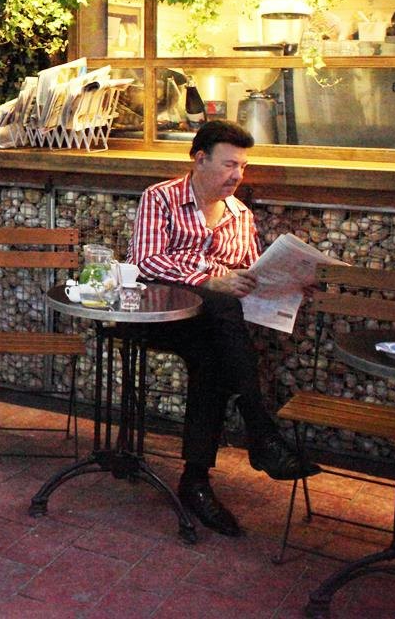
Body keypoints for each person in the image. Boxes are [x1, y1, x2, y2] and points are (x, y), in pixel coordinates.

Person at [129, 118, 319, 538]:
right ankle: (258, 427)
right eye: (230, 164)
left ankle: (197, 480)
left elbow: (250, 275)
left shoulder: (240, 216)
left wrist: (287, 282)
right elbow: (146, 262)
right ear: (199, 159)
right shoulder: (160, 198)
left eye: (243, 167)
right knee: (219, 304)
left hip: (214, 329)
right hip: (160, 316)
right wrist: (210, 278)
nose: (237, 175)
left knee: (215, 354)